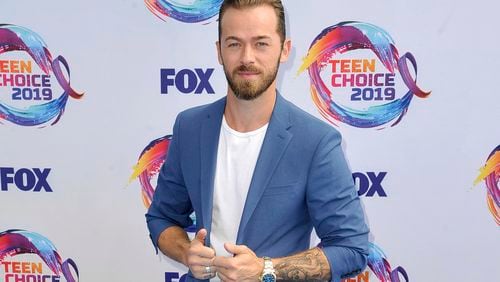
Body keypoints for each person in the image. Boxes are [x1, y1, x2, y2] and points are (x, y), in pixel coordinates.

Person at [146, 0, 369, 281]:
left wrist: (266, 270)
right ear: (219, 51)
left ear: (284, 50)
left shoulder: (315, 141)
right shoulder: (189, 127)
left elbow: (351, 248)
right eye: (234, 44)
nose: (247, 58)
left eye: (261, 44)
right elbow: (162, 218)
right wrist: (185, 252)